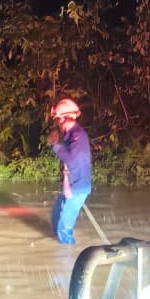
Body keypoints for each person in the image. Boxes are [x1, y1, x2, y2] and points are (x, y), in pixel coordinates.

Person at [48, 97, 91, 245]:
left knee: (64, 229)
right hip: (70, 185)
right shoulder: (69, 135)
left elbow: (71, 160)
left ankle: (68, 254)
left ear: (63, 118)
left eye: (58, 120)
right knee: (55, 217)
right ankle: (55, 245)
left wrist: (55, 145)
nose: (58, 123)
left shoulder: (78, 135)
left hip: (77, 187)